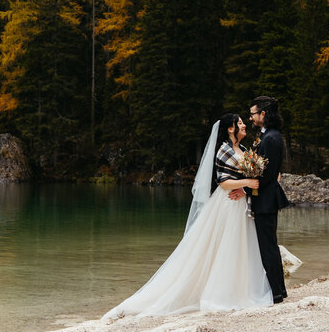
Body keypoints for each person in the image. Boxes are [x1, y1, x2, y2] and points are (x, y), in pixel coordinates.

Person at [102, 114, 272, 320]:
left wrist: (249, 184)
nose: (244, 125)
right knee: (224, 246)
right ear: (230, 128)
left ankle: (241, 289)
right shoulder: (224, 150)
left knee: (239, 247)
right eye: (240, 123)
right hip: (227, 204)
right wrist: (246, 182)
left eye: (244, 122)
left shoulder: (244, 150)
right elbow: (223, 183)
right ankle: (221, 294)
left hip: (240, 204)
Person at [241, 95, 290, 303]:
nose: (250, 118)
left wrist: (245, 185)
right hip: (265, 198)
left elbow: (267, 173)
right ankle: (279, 290)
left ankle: (276, 293)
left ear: (263, 114)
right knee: (268, 245)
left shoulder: (271, 138)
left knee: (268, 246)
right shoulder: (268, 135)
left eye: (253, 114)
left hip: (266, 199)